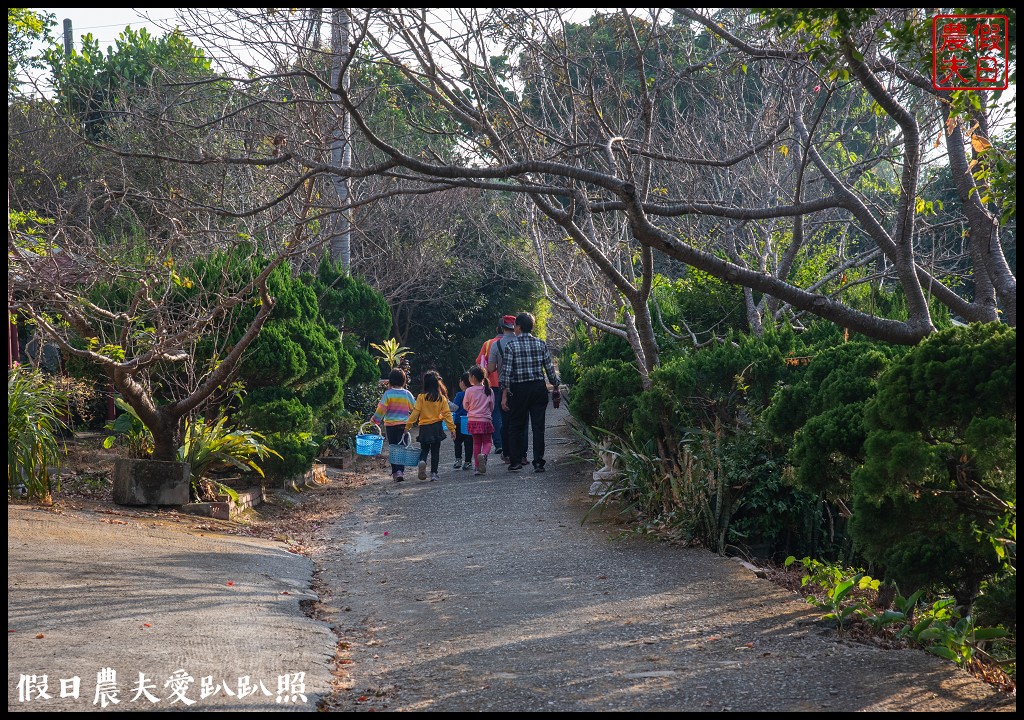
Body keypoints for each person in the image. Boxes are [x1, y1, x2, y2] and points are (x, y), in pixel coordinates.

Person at [499, 312, 561, 473]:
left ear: (517, 327)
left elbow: (506, 375)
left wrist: (504, 397)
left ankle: (515, 461)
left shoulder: (511, 346)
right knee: (538, 426)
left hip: (518, 390)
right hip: (538, 389)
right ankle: (539, 462)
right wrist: (555, 386)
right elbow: (549, 370)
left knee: (516, 426)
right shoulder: (541, 344)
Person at [487, 314, 527, 465]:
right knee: (522, 421)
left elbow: (491, 368)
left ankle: (508, 453)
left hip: (504, 387)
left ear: (501, 328)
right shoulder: (521, 342)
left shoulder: (495, 345)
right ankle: (522, 454)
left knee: (506, 421)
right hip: (522, 386)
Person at [405, 370, 455, 482]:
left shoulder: (421, 397)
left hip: (424, 428)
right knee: (435, 451)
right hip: (436, 427)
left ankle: (422, 461)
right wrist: (452, 429)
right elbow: (447, 414)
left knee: (424, 449)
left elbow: (415, 413)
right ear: (437, 384)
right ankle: (434, 473)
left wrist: (408, 426)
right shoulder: (441, 398)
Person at [371, 368, 416, 482]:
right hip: (404, 426)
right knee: (401, 448)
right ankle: (401, 470)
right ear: (404, 381)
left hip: (390, 426)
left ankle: (395, 471)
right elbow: (415, 408)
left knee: (393, 447)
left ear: (390, 380)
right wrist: (412, 420)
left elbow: (381, 409)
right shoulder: (407, 394)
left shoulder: (388, 394)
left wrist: (375, 420)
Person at [462, 364, 496, 475]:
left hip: (473, 420)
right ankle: (484, 455)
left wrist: (471, 410)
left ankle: (477, 467)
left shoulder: (469, 391)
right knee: (487, 442)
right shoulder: (489, 390)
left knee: (476, 444)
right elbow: (492, 407)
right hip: (485, 420)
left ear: (472, 377)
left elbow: (465, 405)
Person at [451, 372, 473, 470]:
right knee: (469, 442)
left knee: (457, 442)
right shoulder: (473, 393)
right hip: (470, 421)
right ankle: (468, 461)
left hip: (459, 422)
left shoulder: (460, 395)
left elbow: (454, 407)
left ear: (463, 383)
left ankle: (458, 459)